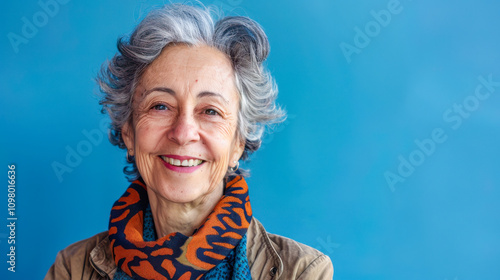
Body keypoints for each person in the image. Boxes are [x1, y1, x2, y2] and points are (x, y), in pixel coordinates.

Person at [45, 3, 333, 280]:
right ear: (129, 133)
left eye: (210, 111)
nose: (182, 133)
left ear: (238, 144)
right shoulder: (72, 269)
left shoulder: (302, 272)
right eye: (160, 106)